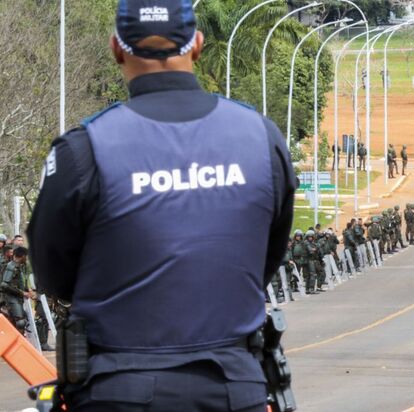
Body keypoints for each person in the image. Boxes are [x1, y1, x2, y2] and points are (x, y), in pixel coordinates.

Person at [27, 1, 296, 410]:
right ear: (198, 45)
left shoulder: (84, 150)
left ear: (117, 48)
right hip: (234, 388)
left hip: (119, 389)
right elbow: (267, 254)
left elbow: (54, 276)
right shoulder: (261, 137)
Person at [0, 247, 30, 334]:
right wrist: (22, 292)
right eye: (26, 256)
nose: (26, 258)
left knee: (18, 321)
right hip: (11, 298)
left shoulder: (18, 266)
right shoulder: (11, 266)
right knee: (20, 322)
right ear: (23, 256)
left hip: (16, 298)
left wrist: (27, 290)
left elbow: (18, 282)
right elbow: (4, 285)